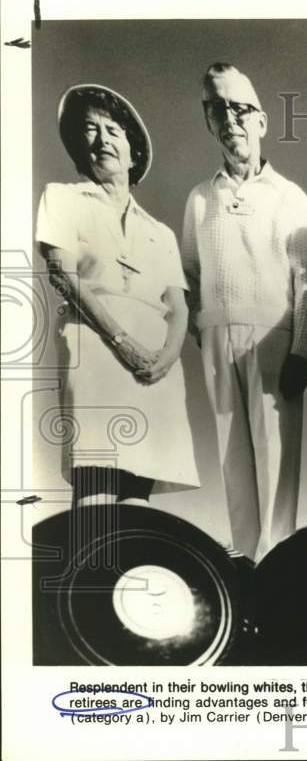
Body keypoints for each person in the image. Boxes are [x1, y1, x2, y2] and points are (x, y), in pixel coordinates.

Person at [182, 63, 307, 561]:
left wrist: (302, 351)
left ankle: (278, 566)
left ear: (261, 120)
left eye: (239, 108)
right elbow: (189, 275)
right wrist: (204, 326)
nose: (230, 119)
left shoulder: (291, 197)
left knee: (276, 460)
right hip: (219, 340)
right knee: (232, 459)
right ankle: (244, 565)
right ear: (209, 122)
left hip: (275, 340)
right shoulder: (201, 198)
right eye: (217, 109)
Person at [36, 84, 198, 505]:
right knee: (95, 495)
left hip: (154, 366)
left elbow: (179, 307)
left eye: (113, 130)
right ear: (78, 144)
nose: (102, 139)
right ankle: (90, 573)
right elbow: (63, 273)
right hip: (94, 348)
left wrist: (162, 358)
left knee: (138, 502)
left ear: (132, 151)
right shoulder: (63, 197)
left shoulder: (159, 231)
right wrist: (122, 343)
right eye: (90, 129)